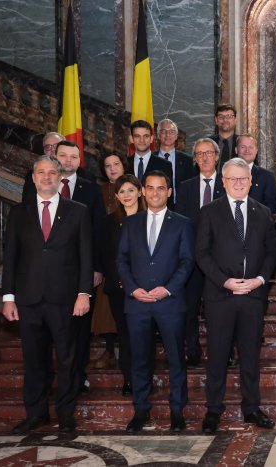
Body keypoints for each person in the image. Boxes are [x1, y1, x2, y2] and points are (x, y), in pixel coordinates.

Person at [2, 156, 93, 434]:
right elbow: (11, 257)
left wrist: (83, 293)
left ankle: (66, 415)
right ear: (33, 177)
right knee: (33, 360)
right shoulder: (19, 213)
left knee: (66, 359)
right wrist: (8, 298)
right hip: (28, 300)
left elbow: (85, 257)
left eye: (52, 172)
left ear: (59, 176)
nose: (46, 177)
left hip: (65, 299)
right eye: (41, 172)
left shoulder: (77, 211)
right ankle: (36, 414)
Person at [196, 158, 276, 433]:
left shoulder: (263, 212)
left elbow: (271, 252)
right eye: (233, 179)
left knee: (250, 355)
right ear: (224, 182)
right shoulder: (209, 212)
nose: (239, 183)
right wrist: (225, 281)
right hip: (221, 295)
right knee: (218, 355)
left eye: (244, 179)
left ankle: (252, 408)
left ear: (251, 181)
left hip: (253, 296)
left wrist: (258, 280)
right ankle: (213, 409)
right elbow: (202, 254)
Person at [116, 171, 194, 433]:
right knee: (139, 359)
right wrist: (133, 289)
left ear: (169, 192)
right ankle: (140, 410)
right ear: (143, 192)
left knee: (175, 359)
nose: (155, 192)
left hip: (169, 303)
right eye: (150, 188)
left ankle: (177, 411)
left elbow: (187, 262)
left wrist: (168, 289)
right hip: (137, 303)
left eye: (161, 188)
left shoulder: (182, 223)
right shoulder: (130, 223)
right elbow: (122, 261)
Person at [55, 141, 105, 395]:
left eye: (73, 156)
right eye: (63, 155)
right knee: (55, 327)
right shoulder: (39, 187)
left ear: (79, 160)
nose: (68, 160)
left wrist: (96, 268)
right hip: (50, 274)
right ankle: (58, 377)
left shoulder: (91, 189)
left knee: (81, 328)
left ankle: (78, 374)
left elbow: (97, 232)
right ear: (54, 156)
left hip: (83, 271)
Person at [176, 138, 226, 367]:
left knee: (221, 310)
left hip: (221, 260)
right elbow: (181, 224)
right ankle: (193, 351)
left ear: (216, 157)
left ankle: (225, 353)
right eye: (199, 154)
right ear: (195, 160)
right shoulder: (185, 187)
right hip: (192, 259)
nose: (204, 157)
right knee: (189, 308)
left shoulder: (227, 185)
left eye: (208, 153)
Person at [99, 174, 146, 396]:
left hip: (146, 290)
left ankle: (144, 378)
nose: (126, 195)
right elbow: (107, 256)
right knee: (125, 335)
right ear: (116, 196)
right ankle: (129, 378)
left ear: (140, 191)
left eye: (130, 190)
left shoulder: (150, 218)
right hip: (119, 289)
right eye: (122, 192)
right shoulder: (107, 223)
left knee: (143, 336)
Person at [91, 153, 130, 371]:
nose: (113, 169)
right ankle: (109, 349)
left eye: (116, 164)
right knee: (107, 309)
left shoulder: (135, 188)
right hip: (108, 261)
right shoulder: (100, 192)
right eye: (107, 166)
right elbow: (97, 229)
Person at [155, 118, 198, 202]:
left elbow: (191, 187)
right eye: (164, 131)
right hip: (156, 204)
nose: (167, 135)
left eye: (171, 132)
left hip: (180, 206)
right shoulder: (150, 159)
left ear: (176, 136)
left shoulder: (187, 160)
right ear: (158, 135)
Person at [235, 134, 276, 212]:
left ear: (256, 150)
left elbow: (271, 205)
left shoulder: (267, 177)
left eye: (251, 147)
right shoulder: (225, 174)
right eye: (243, 147)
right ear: (236, 150)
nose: (247, 150)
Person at [209, 104, 239, 168]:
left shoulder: (243, 143)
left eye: (229, 116)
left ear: (235, 120)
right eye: (221, 117)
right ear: (216, 120)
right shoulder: (208, 143)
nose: (225, 120)